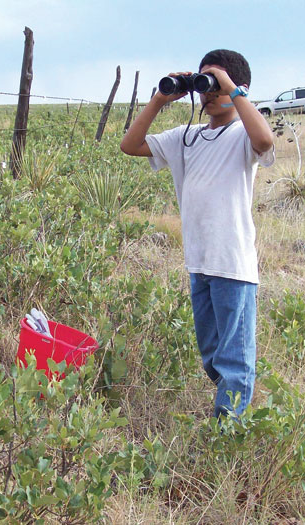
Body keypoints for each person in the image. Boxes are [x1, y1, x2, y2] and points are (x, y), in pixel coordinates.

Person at [120, 49, 275, 419]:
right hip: (199, 261)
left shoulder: (243, 134)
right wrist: (161, 99)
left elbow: (266, 142)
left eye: (214, 85)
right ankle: (235, 406)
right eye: (203, 85)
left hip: (232, 263)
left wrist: (232, 91)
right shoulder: (185, 137)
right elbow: (130, 145)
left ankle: (227, 433)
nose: (207, 94)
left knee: (233, 359)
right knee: (211, 354)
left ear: (239, 88)